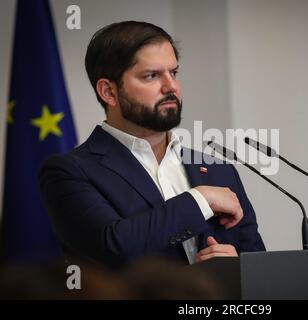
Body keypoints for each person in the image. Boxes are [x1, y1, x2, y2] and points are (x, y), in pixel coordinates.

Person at [39, 21, 265, 268]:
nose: (171, 87)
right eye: (151, 76)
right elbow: (113, 246)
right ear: (109, 92)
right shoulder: (69, 171)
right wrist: (200, 199)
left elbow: (259, 268)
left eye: (174, 73)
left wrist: (236, 270)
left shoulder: (218, 169)